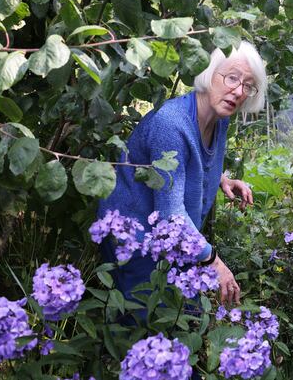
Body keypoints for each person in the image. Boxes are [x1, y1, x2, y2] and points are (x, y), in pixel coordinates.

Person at [97, 41, 266, 308]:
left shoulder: (219, 116)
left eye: (247, 85)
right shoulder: (171, 125)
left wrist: (221, 179)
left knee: (185, 319)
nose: (238, 91)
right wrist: (214, 262)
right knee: (145, 331)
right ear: (209, 73)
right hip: (134, 239)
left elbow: (189, 162)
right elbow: (171, 215)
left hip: (172, 242)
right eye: (232, 78)